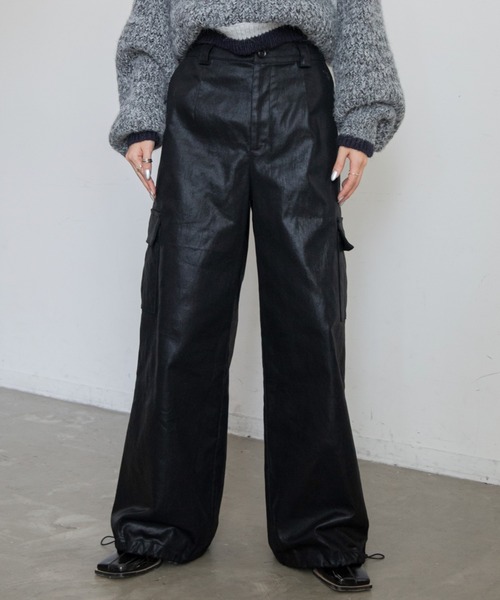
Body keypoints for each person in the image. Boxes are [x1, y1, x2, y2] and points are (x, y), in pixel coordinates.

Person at [96, 0, 405, 593]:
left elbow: (358, 21)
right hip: (200, 95)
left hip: (300, 96)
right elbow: (151, 26)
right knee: (180, 317)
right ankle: (157, 527)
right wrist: (140, 116)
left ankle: (322, 533)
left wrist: (363, 122)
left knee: (309, 319)